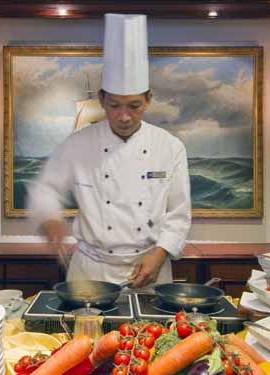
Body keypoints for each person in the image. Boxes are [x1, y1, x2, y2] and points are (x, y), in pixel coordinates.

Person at [28, 14, 191, 288]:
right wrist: (49, 218)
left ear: (149, 100)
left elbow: (179, 213)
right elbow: (46, 188)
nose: (124, 116)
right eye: (115, 105)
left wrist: (160, 253)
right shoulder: (77, 144)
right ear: (102, 99)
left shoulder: (170, 147)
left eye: (134, 106)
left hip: (150, 268)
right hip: (90, 272)